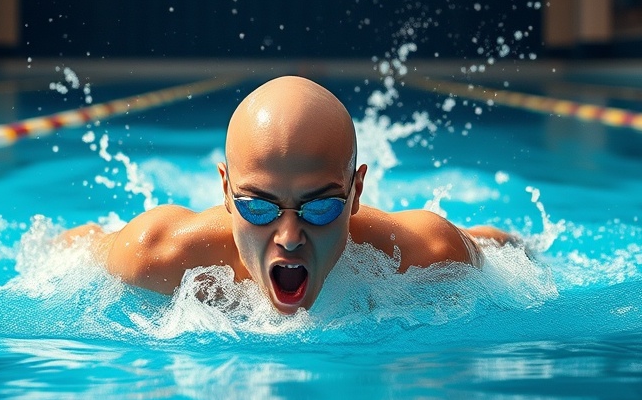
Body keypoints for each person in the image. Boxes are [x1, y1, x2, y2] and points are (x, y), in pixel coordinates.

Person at [64, 76, 516, 314]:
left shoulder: (429, 252)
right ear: (226, 191)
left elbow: (507, 254)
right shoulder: (155, 253)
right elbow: (76, 247)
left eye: (320, 206)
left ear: (356, 193)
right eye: (258, 207)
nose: (290, 236)